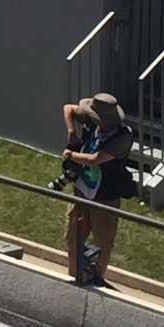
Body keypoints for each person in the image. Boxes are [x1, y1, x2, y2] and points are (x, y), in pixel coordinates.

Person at [61, 93, 136, 285]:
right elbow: (68, 108)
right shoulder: (92, 122)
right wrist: (71, 132)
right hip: (82, 191)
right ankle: (75, 276)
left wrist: (71, 155)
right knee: (73, 236)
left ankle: (95, 279)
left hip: (105, 197)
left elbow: (96, 160)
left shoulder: (122, 138)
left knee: (102, 242)